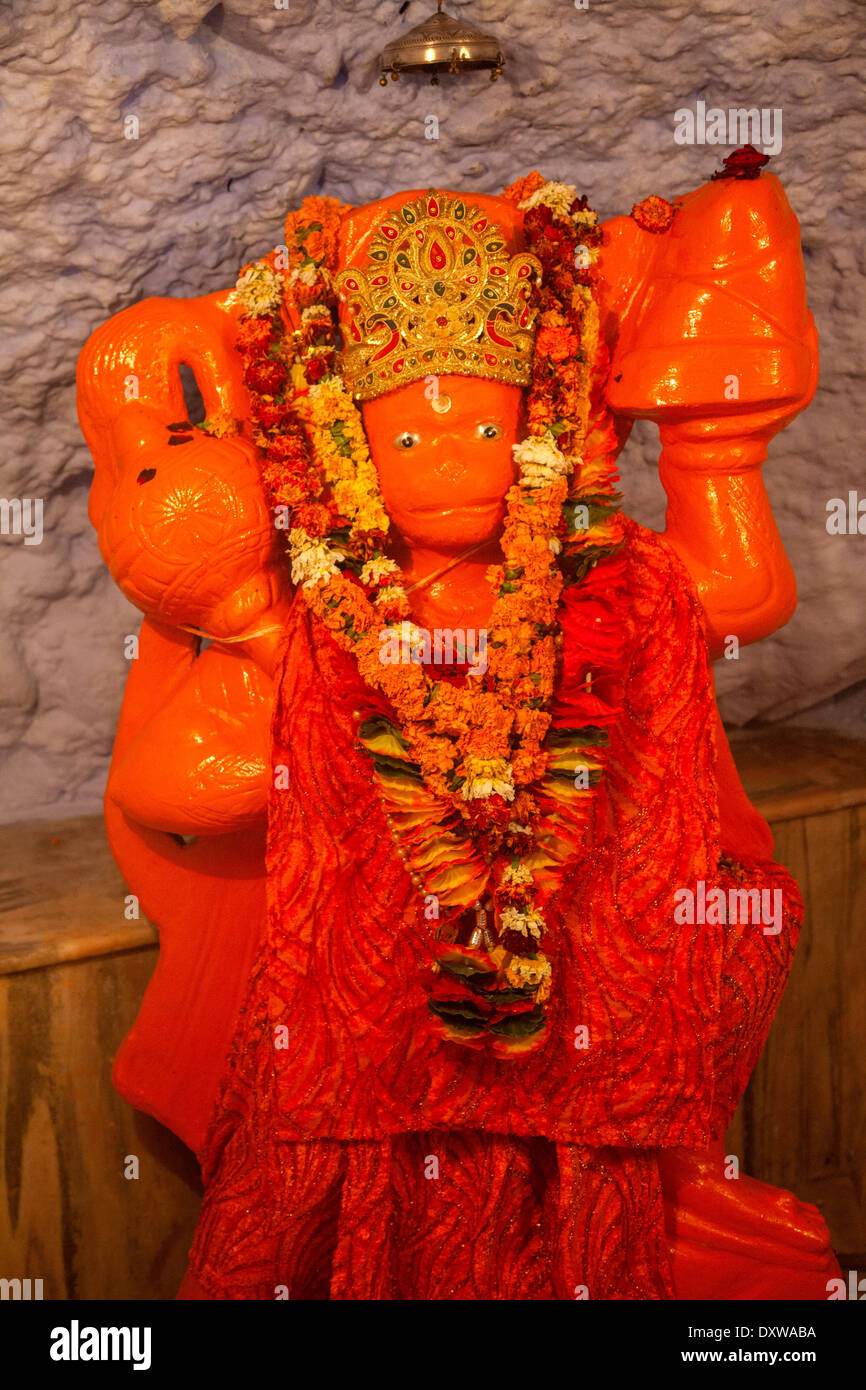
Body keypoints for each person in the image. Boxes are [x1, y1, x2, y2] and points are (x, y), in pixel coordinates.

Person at [77, 162, 838, 1299]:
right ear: (345, 449)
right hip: (365, 1033)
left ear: (539, 426)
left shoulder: (608, 579)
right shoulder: (325, 604)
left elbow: (734, 587)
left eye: (481, 422)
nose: (449, 456)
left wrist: (715, 445)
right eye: (406, 436)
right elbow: (177, 787)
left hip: (579, 998)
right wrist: (232, 616)